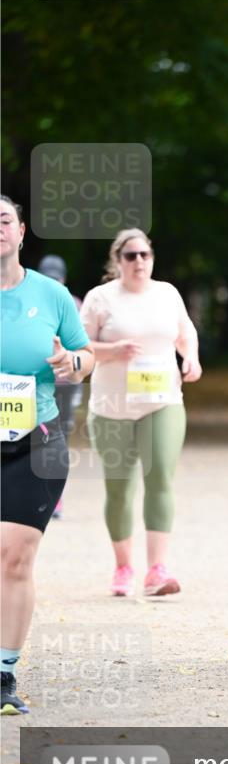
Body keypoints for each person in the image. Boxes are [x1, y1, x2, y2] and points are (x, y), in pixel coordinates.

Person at [1, 196, 94, 715]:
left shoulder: (52, 294)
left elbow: (84, 357)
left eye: (4, 220)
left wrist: (70, 363)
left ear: (21, 231)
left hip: (35, 442)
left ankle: (4, 675)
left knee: (14, 557)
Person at [80, 229, 202, 599]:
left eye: (145, 255)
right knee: (119, 489)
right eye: (130, 256)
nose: (139, 262)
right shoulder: (100, 298)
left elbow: (185, 331)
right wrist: (112, 349)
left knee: (160, 478)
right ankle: (123, 567)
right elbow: (80, 348)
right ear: (117, 261)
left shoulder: (167, 293)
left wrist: (191, 356)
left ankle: (156, 570)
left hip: (162, 400)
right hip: (112, 406)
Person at [38, 255, 83, 518]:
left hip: (65, 383)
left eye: (57, 278)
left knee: (58, 437)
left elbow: (84, 344)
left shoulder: (74, 305)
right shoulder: (28, 302)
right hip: (38, 382)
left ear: (64, 279)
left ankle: (55, 497)